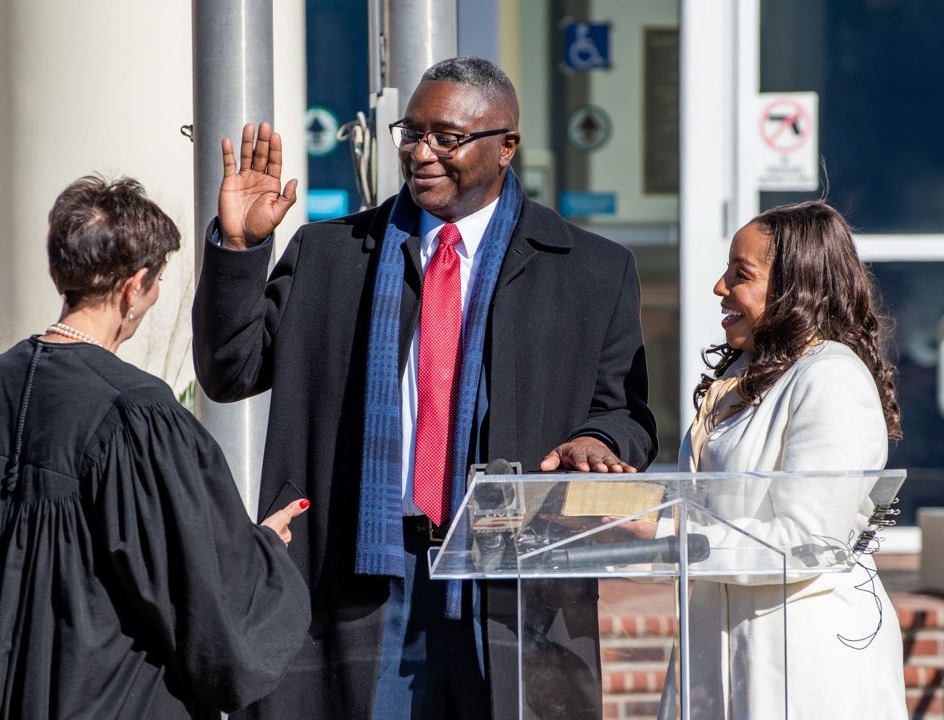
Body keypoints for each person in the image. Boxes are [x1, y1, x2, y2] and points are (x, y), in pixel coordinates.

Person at [192, 56, 657, 720]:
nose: (422, 153)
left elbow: (625, 412)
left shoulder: (591, 270)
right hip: (362, 571)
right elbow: (229, 371)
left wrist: (597, 438)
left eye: (448, 137)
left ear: (506, 148)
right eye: (412, 133)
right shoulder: (330, 255)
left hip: (509, 579)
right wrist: (238, 251)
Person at [0, 176, 313, 719]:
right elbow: (204, 595)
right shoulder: (138, 416)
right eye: (158, 279)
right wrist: (265, 553)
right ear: (135, 285)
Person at [664, 200, 908, 719]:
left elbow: (806, 542)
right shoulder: (746, 374)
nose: (719, 287)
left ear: (796, 287)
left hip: (800, 662)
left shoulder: (831, 378)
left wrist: (671, 538)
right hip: (719, 652)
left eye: (740, 274)